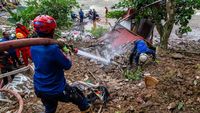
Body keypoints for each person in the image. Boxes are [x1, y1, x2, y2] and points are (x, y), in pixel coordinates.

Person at [31, 15, 92, 113]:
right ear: (52, 30)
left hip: (39, 88)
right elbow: (67, 65)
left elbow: (45, 57)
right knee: (81, 100)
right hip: (55, 89)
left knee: (50, 107)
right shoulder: (53, 49)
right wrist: (67, 53)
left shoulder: (32, 46)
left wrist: (58, 47)